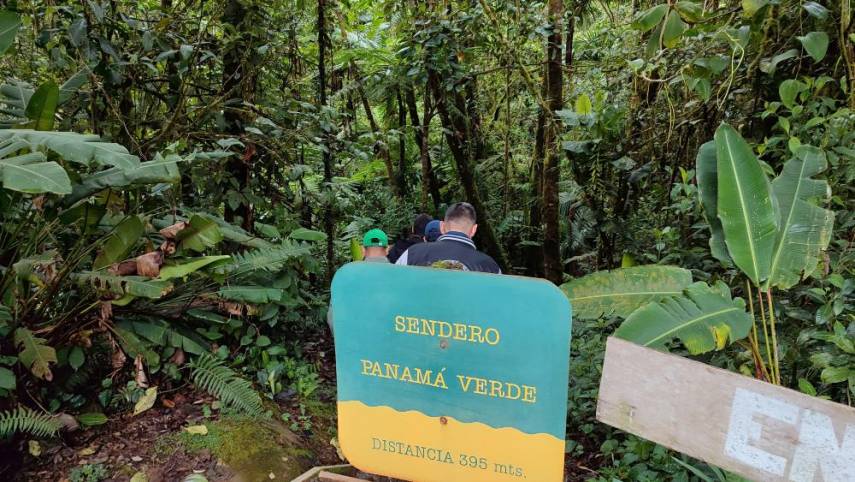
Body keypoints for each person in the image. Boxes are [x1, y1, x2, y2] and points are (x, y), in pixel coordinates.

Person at [395, 202, 501, 273]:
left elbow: (393, 286)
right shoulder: (490, 266)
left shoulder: (412, 254)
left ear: (442, 226)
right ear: (474, 229)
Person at [328, 228, 390, 336]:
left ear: (363, 250)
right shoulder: (400, 275)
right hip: (392, 348)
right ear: (387, 249)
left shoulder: (347, 276)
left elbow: (333, 319)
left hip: (357, 346)